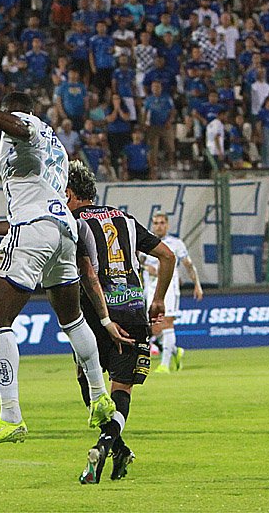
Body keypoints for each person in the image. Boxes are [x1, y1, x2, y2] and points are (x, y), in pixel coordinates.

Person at [0, 86, 116, 447]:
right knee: (72, 319)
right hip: (61, 230)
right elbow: (34, 205)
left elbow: (20, 128)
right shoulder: (54, 145)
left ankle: (10, 416)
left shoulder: (26, 124)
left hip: (36, 228)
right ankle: (101, 398)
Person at [67, 161, 175, 484]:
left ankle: (107, 444)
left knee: (90, 385)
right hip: (131, 310)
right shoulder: (124, 218)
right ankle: (115, 446)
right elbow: (167, 257)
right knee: (121, 390)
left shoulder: (71, 222)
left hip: (93, 316)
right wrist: (158, 300)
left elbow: (86, 273)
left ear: (70, 194)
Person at [141, 212, 203, 373]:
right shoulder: (145, 242)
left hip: (169, 287)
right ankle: (176, 351)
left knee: (167, 322)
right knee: (154, 327)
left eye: (162, 223)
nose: (159, 226)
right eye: (155, 223)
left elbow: (188, 264)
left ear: (167, 225)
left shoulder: (175, 244)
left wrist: (197, 284)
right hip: (150, 289)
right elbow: (136, 263)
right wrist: (147, 268)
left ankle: (164, 365)